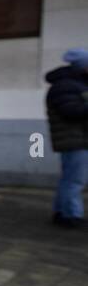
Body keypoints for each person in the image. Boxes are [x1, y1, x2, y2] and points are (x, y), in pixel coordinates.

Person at [46, 47, 88, 229]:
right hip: (74, 139)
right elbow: (71, 112)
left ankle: (62, 212)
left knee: (69, 179)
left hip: (76, 139)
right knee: (75, 180)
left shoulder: (74, 84)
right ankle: (71, 216)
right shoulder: (66, 86)